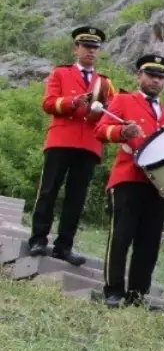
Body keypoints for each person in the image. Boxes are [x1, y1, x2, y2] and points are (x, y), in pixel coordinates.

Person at [28, 26, 116, 266]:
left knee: (76, 198)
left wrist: (102, 110)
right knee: (48, 191)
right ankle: (38, 239)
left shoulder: (105, 83)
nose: (91, 51)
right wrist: (73, 102)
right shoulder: (60, 73)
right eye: (86, 46)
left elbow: (110, 115)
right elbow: (48, 103)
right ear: (75, 49)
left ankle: (64, 246)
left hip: (89, 144)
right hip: (61, 139)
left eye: (95, 48)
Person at [94, 54, 164, 309]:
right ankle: (113, 290)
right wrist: (121, 132)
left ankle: (137, 294)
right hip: (128, 177)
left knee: (149, 242)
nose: (155, 80)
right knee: (121, 236)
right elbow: (100, 130)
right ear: (139, 75)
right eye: (150, 74)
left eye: (160, 77)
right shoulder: (123, 100)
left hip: (157, 185)